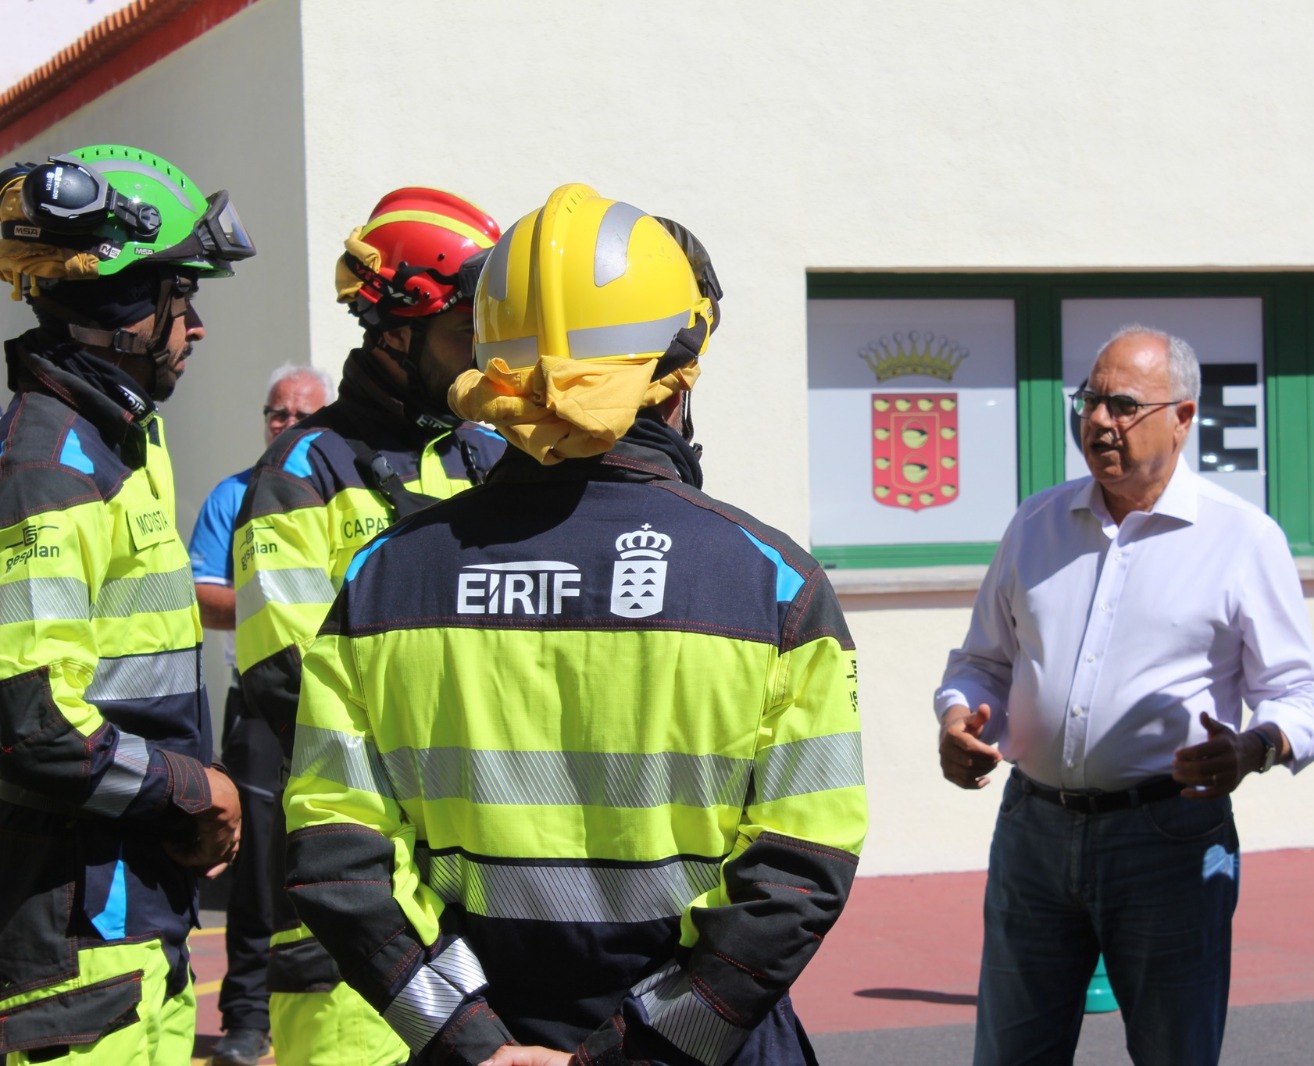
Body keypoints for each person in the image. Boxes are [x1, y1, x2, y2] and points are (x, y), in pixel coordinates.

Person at [281, 183, 868, 1066]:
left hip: (478, 1037)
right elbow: (800, 866)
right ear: (678, 372)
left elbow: (337, 856)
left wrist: (467, 1039)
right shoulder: (773, 585)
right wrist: (631, 1052)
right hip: (696, 1049)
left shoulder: (383, 579)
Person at [936, 325, 1314, 1066]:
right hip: (1034, 830)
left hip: (1170, 841)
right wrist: (957, 717)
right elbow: (981, 663)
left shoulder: (1242, 538)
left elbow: (1301, 692)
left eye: (1122, 405)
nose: (1097, 421)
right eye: (1088, 401)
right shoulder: (1037, 523)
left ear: (1182, 418)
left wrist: (1255, 747)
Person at [231, 188, 506, 1066]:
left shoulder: (490, 458)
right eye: (464, 336)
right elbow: (287, 680)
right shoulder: (301, 472)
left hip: (485, 889)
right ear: (394, 329)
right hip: (355, 914)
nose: (484, 363)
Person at [0, 145, 252, 1063]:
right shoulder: (47, 469)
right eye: (176, 296)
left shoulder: (119, 445)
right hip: (73, 959)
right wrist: (196, 789)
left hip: (139, 933)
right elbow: (32, 726)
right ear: (114, 307)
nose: (193, 326)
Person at [188, 363, 331, 1066]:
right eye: (277, 413)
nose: (288, 424)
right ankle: (246, 1016)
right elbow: (201, 592)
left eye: (303, 413)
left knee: (337, 854)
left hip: (338, 707)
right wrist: (274, 604)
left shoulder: (341, 488)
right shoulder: (233, 494)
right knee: (257, 868)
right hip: (259, 706)